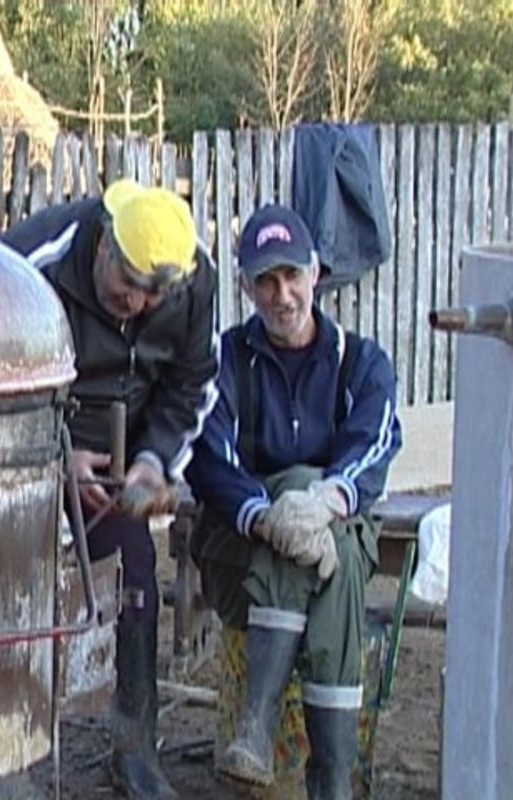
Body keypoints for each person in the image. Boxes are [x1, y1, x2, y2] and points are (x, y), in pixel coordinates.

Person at [0, 179, 219, 800]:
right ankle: (3, 754)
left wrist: (153, 465)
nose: (141, 304)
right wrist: (53, 461)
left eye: (157, 295)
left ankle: (135, 749)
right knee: (6, 588)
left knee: (136, 579)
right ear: (102, 248)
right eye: (129, 285)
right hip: (28, 455)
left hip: (121, 465)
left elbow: (192, 385)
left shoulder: (193, 279)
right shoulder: (30, 264)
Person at [185, 204, 402, 799]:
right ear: (246, 287)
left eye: (292, 277)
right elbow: (208, 458)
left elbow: (377, 441)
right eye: (265, 281)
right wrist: (269, 515)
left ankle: (257, 730)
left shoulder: (362, 362)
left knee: (333, 543)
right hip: (238, 557)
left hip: (334, 548)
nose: (282, 295)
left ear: (314, 272)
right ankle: (330, 781)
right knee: (312, 515)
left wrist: (327, 499)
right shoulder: (224, 360)